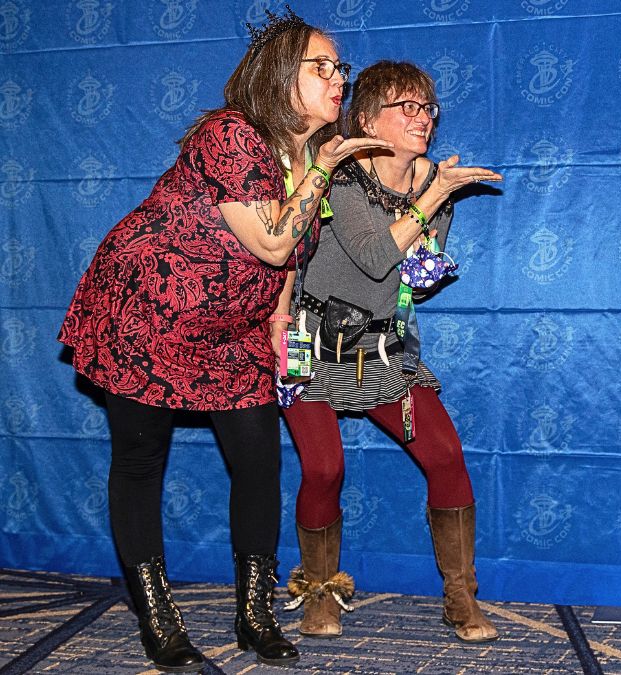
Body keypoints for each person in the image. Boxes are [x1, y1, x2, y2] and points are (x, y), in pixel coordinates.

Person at [57, 9, 389, 672]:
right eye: (321, 66)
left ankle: (255, 612)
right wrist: (322, 167)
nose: (338, 79)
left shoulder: (303, 159)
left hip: (231, 328)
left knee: (259, 460)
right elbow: (270, 237)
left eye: (340, 68)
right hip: (150, 307)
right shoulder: (229, 135)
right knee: (140, 457)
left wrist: (276, 322)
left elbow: (290, 258)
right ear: (277, 76)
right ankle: (157, 615)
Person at [277, 60, 502, 643]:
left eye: (428, 107)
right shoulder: (342, 177)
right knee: (324, 467)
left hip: (384, 349)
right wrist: (432, 201)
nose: (423, 118)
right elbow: (376, 257)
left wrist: (433, 201)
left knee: (447, 456)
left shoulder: (434, 182)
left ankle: (460, 595)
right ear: (369, 119)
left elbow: (418, 275)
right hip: (313, 344)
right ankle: (320, 594)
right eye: (408, 107)